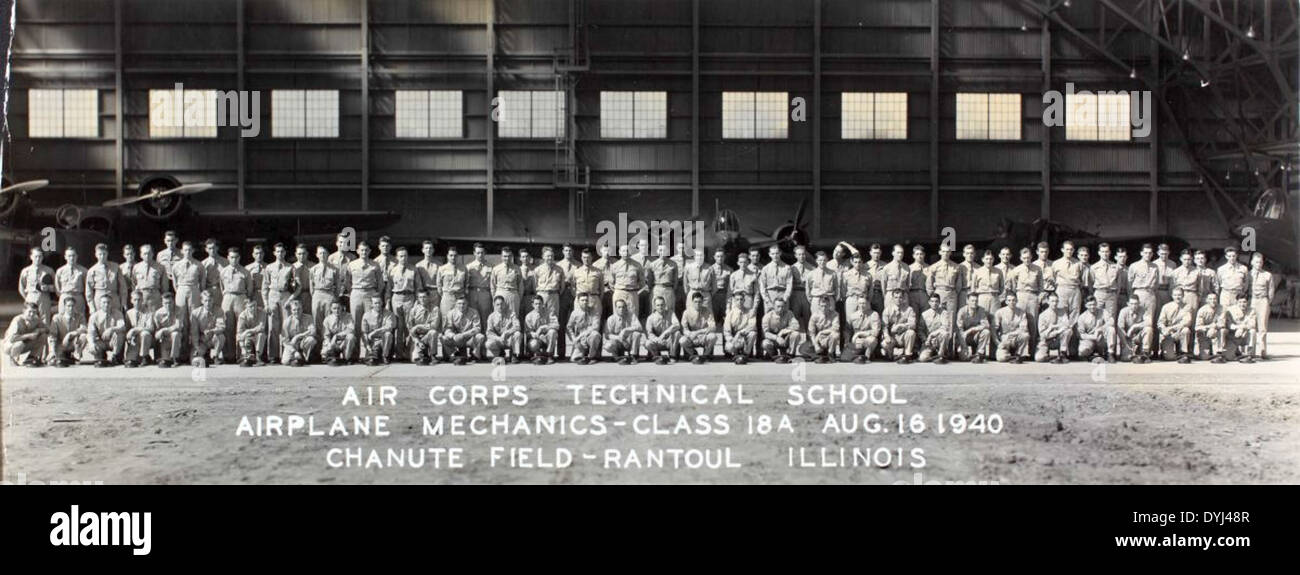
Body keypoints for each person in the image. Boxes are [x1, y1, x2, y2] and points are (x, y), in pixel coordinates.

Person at [388, 246, 423, 360]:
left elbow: (418, 287)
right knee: (398, 327)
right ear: (397, 257)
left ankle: (409, 353)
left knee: (409, 326)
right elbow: (389, 287)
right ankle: (398, 354)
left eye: (405, 256)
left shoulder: (413, 269)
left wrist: (418, 301)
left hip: (409, 297)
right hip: (397, 298)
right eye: (401, 256)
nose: (403, 258)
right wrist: (388, 301)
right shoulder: (392, 270)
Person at [219, 246, 252, 361]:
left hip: (241, 297)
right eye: (232, 257)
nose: (234, 260)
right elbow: (221, 287)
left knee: (241, 326)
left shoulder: (245, 272)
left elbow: (250, 289)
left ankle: (241, 355)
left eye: (236, 257)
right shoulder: (223, 271)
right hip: (228, 297)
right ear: (228, 258)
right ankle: (229, 355)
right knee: (228, 326)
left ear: (239, 258)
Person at [1127, 243, 1161, 353]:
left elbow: (1156, 284)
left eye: (1150, 253)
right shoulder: (1134, 266)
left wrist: (1151, 293)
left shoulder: (1155, 266)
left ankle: (1148, 350)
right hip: (1138, 293)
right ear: (1141, 253)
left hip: (1150, 294)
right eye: (1145, 252)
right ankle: (1133, 348)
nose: (1148, 255)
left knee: (1150, 321)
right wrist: (1132, 297)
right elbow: (1129, 283)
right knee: (1136, 319)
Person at [347, 242, 384, 340]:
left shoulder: (375, 265)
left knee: (370, 320)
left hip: (370, 293)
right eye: (362, 250)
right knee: (355, 320)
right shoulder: (352, 264)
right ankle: (356, 350)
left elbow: (380, 282)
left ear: (370, 251)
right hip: (356, 293)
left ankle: (370, 349)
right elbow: (347, 282)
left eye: (366, 250)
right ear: (358, 251)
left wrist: (376, 295)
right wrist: (352, 292)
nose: (364, 252)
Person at [1008, 246, 1044, 348]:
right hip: (1020, 297)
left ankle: (1032, 350)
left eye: (1028, 257)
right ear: (1020, 258)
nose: (1026, 260)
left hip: (1033, 296)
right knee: (1020, 323)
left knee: (1032, 323)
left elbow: (1041, 286)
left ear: (1032, 257)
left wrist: (1039, 298)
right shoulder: (1016, 270)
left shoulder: (1037, 269)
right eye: (1024, 258)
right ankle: (1020, 350)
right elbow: (1013, 286)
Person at [310, 245, 345, 341]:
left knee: (329, 320)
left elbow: (338, 285)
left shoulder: (334, 269)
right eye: (320, 253)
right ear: (317, 255)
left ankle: (328, 345)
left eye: (324, 253)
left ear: (328, 255)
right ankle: (318, 347)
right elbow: (311, 286)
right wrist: (315, 296)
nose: (322, 255)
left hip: (329, 294)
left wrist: (335, 297)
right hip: (317, 294)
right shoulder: (313, 269)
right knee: (317, 320)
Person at [86, 242, 129, 316]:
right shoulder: (92, 270)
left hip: (113, 297)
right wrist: (91, 306)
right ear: (96, 255)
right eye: (100, 254)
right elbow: (89, 291)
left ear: (107, 254)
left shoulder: (115, 267)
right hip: (99, 298)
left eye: (104, 254)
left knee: (116, 319)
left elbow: (122, 286)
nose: (102, 256)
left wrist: (123, 302)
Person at [442, 295, 485, 365]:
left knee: (480, 337)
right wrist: (453, 336)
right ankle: (456, 354)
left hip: (469, 338)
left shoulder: (474, 312)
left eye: (464, 303)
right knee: (443, 338)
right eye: (459, 303)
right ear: (456, 304)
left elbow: (477, 328)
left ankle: (474, 356)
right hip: (456, 338)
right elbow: (447, 328)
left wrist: (463, 335)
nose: (461, 306)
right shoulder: (451, 313)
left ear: (467, 304)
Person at [677, 292, 717, 365]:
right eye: (695, 302)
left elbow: (713, 327)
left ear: (702, 302)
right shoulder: (686, 312)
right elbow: (684, 329)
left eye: (699, 302)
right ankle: (693, 354)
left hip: (703, 336)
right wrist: (690, 334)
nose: (697, 304)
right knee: (682, 340)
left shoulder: (708, 311)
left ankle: (705, 355)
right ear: (692, 302)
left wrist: (698, 332)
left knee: (713, 336)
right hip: (692, 337)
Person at [1051, 240, 1087, 320]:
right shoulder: (1056, 263)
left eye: (1071, 249)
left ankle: (1073, 332)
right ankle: (1063, 332)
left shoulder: (1079, 264)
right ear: (1062, 250)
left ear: (1073, 250)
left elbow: (1082, 279)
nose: (1069, 251)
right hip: (1061, 290)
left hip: (1074, 290)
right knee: (1061, 313)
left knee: (1075, 313)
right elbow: (1053, 279)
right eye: (1067, 249)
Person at [1090, 243, 1125, 325]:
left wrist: (1115, 294)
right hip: (1099, 294)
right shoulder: (1094, 267)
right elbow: (1091, 283)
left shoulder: (1116, 267)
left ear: (1109, 252)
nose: (1105, 254)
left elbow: (1118, 283)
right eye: (1102, 251)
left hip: (1111, 294)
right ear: (1099, 252)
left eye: (1106, 251)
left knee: (1111, 319)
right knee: (1097, 318)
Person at [1156, 286, 1194, 363]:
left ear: (1183, 296)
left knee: (1186, 330)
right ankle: (1169, 352)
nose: (1177, 297)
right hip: (1169, 334)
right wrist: (1164, 329)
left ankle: (1184, 353)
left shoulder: (1187, 307)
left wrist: (1173, 328)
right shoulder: (1166, 307)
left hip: (1179, 331)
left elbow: (1187, 321)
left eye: (1179, 295)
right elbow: (1160, 322)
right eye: (1175, 295)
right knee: (1169, 357)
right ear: (1172, 296)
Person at [47, 296, 88, 367]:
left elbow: (84, 328)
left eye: (72, 306)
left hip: (73, 344)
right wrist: (52, 351)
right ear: (64, 307)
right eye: (68, 306)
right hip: (61, 344)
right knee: (59, 361)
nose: (71, 308)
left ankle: (76, 355)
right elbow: (52, 335)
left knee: (84, 336)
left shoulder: (80, 316)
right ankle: (59, 355)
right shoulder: (57, 318)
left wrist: (70, 334)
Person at [171, 241, 206, 322]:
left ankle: (194, 334)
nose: (188, 252)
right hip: (181, 289)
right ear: (182, 251)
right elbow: (175, 282)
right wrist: (180, 290)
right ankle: (183, 334)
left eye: (190, 250)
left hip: (194, 289)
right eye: (185, 250)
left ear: (193, 251)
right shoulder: (176, 265)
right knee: (181, 314)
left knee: (194, 313)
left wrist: (199, 292)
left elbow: (202, 281)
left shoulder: (199, 265)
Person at [1249, 252, 1276, 359]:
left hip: (1263, 301)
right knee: (1251, 326)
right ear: (1252, 262)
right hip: (1252, 301)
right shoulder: (1248, 274)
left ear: (1262, 263)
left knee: (1263, 327)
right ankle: (1250, 352)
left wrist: (1267, 302)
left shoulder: (1267, 275)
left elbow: (1271, 290)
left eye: (1260, 262)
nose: (1258, 264)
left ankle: (1262, 351)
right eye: (1256, 262)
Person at [88, 293, 126, 367]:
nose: (106, 305)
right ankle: (101, 356)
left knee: (120, 334)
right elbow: (90, 332)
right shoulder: (94, 316)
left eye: (108, 302)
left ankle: (116, 356)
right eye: (104, 302)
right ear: (100, 304)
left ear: (111, 304)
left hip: (113, 341)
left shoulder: (118, 313)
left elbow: (122, 326)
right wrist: (91, 344)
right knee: (91, 343)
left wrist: (111, 329)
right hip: (101, 341)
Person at [18, 246, 55, 322]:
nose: (38, 259)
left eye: (40, 256)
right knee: (30, 319)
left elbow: (56, 286)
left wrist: (48, 288)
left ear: (42, 257)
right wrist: (27, 298)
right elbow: (21, 287)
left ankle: (45, 333)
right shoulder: (26, 271)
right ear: (31, 257)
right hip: (31, 296)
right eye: (36, 256)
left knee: (45, 319)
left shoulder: (49, 270)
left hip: (44, 297)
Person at [5, 302, 48, 367]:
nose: (32, 314)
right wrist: (28, 335)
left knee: (43, 336)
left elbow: (47, 330)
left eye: (34, 312)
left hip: (25, 344)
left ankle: (31, 358)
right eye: (30, 311)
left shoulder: (36, 319)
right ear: (24, 311)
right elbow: (12, 339)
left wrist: (39, 330)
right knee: (19, 343)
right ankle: (13, 359)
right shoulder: (17, 320)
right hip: (10, 346)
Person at [880, 289, 918, 364]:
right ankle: (891, 355)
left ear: (903, 298)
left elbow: (913, 324)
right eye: (896, 297)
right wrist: (887, 336)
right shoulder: (887, 310)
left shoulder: (909, 309)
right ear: (892, 298)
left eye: (900, 297)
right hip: (892, 336)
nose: (898, 299)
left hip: (903, 336)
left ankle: (907, 354)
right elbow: (884, 326)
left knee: (911, 333)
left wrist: (901, 326)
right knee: (885, 343)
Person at [1075, 296, 1116, 363]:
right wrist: (1093, 337)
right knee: (1082, 351)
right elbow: (1081, 335)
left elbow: (1111, 321)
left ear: (1096, 304)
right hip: (1090, 339)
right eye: (1090, 305)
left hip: (1101, 339)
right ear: (1085, 306)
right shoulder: (1082, 317)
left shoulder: (1103, 311)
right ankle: (1092, 354)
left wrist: (1101, 329)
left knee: (1111, 329)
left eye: (1094, 304)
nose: (1092, 307)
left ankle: (1110, 353)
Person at [190, 290, 226, 365]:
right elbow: (194, 332)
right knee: (195, 361)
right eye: (205, 300)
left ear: (213, 300)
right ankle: (205, 355)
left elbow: (221, 327)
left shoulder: (219, 311)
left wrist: (212, 331)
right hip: (202, 340)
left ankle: (215, 356)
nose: (208, 303)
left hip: (213, 337)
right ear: (202, 301)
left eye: (210, 300)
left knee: (221, 337)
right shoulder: (195, 313)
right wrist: (197, 347)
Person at [407, 290, 442, 365]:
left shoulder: (435, 309)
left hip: (428, 336)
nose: (422, 299)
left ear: (428, 298)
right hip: (417, 337)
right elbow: (410, 328)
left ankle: (433, 356)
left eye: (424, 297)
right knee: (414, 359)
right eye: (420, 297)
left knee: (433, 332)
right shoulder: (414, 310)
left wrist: (418, 326)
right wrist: (417, 341)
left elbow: (434, 325)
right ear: (418, 299)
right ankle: (423, 354)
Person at [603, 298, 643, 365]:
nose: (621, 309)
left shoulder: (631, 316)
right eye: (619, 307)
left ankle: (633, 356)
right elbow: (607, 335)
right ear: (615, 308)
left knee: (636, 334)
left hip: (629, 342)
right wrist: (619, 338)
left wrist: (626, 330)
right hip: (618, 342)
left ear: (626, 307)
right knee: (608, 345)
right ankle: (617, 356)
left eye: (623, 307)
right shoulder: (611, 319)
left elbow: (639, 327)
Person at [955, 292, 992, 363]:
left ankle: (979, 353)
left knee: (986, 332)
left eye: (976, 301)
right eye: (972, 301)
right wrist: (964, 347)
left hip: (975, 336)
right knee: (964, 357)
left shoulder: (981, 310)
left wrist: (971, 329)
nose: (974, 303)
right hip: (964, 337)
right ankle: (963, 351)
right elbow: (959, 330)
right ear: (967, 301)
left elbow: (986, 325)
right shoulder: (962, 311)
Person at [1035, 292, 1072, 364]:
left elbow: (1067, 324)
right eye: (1052, 301)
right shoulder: (1042, 315)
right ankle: (1050, 356)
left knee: (1068, 331)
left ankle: (1062, 354)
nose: (1055, 303)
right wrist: (1057, 331)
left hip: (1059, 340)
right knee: (1039, 358)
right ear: (1048, 302)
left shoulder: (1062, 312)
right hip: (1046, 341)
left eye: (1056, 301)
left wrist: (1053, 327)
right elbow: (1043, 335)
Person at [566, 292, 602, 365]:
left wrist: (581, 336)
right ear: (578, 302)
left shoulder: (594, 311)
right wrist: (573, 339)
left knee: (595, 335)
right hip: (579, 342)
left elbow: (595, 327)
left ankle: (592, 357)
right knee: (574, 359)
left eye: (586, 300)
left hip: (589, 337)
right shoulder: (574, 313)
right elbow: (569, 327)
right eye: (582, 300)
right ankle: (582, 354)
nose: (584, 302)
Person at [993, 292, 1030, 364]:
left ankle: (1018, 354)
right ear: (1006, 301)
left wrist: (1012, 334)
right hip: (1005, 339)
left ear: (1017, 301)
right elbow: (994, 329)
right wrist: (998, 343)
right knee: (1001, 358)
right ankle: (1010, 356)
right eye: (1009, 300)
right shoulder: (1000, 312)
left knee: (1025, 335)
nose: (1011, 302)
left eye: (1013, 300)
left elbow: (1024, 328)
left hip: (1016, 338)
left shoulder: (1021, 312)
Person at [643, 296, 681, 364]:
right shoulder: (650, 318)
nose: (660, 307)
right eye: (658, 305)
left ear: (665, 305)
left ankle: (672, 356)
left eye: (662, 305)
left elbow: (677, 325)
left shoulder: (671, 313)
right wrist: (658, 339)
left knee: (677, 333)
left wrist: (665, 333)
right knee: (647, 343)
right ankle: (657, 356)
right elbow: (649, 334)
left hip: (669, 341)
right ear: (654, 306)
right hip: (657, 342)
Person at [1218, 294, 1255, 363]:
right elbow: (1229, 325)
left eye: (1244, 302)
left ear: (1248, 302)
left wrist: (1242, 328)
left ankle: (1249, 355)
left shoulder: (1251, 311)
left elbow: (1252, 324)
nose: (1242, 304)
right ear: (1236, 302)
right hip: (1233, 336)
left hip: (1244, 335)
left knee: (1252, 331)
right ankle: (1235, 352)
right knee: (1229, 357)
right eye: (1240, 302)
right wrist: (1238, 328)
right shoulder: (1230, 310)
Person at [485, 295, 523, 364]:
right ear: (494, 305)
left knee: (518, 334)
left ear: (505, 304)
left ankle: (514, 354)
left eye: (502, 304)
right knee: (488, 343)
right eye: (498, 304)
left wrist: (506, 333)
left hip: (509, 339)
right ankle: (499, 354)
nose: (500, 306)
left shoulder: (511, 314)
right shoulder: (491, 317)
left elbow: (518, 327)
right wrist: (498, 338)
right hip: (499, 340)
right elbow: (488, 333)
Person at [647, 243, 681, 319]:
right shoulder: (652, 264)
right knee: (655, 310)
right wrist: (652, 290)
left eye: (664, 250)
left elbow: (675, 280)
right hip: (657, 289)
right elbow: (650, 280)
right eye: (660, 250)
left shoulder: (673, 264)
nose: (662, 252)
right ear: (657, 251)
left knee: (669, 309)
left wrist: (672, 289)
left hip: (668, 290)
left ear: (668, 251)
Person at [489, 246, 522, 324]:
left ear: (512, 256)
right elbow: (492, 285)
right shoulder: (496, 269)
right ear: (501, 257)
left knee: (514, 317)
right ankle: (498, 335)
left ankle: (513, 335)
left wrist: (518, 297)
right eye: (505, 256)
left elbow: (520, 285)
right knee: (499, 317)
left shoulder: (517, 268)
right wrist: (495, 298)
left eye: (509, 256)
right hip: (500, 293)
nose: (507, 258)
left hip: (512, 294)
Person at [280, 298, 317, 367]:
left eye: (299, 309)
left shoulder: (309, 318)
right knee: (285, 361)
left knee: (311, 340)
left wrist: (299, 336)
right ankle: (296, 357)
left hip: (304, 342)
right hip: (292, 344)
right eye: (294, 310)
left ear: (302, 309)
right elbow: (285, 341)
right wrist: (294, 351)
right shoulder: (287, 322)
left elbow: (313, 331)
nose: (297, 311)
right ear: (291, 311)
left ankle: (304, 357)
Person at [524, 294, 560, 365]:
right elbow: (528, 332)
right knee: (533, 344)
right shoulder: (529, 316)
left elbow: (557, 325)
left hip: (547, 338)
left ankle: (549, 355)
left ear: (543, 304)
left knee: (553, 332)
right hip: (536, 339)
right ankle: (537, 355)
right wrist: (535, 335)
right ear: (532, 305)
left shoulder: (549, 313)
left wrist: (543, 327)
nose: (538, 306)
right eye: (536, 304)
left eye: (540, 303)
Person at [152, 292, 185, 368]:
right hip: (163, 338)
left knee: (175, 334)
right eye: (165, 303)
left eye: (170, 303)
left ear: (173, 302)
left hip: (176, 337)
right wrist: (161, 332)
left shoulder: (179, 310)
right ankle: (159, 356)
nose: (168, 305)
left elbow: (178, 326)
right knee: (165, 362)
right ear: (162, 303)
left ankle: (175, 358)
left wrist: (164, 330)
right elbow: (156, 331)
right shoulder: (158, 313)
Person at [846, 293, 881, 364]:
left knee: (871, 340)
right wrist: (847, 341)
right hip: (856, 340)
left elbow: (875, 332)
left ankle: (867, 357)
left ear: (868, 303)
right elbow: (847, 330)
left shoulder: (874, 314)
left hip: (868, 339)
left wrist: (859, 333)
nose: (862, 306)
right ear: (857, 304)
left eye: (864, 303)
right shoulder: (853, 316)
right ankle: (858, 355)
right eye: (860, 303)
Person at [361, 294, 395, 366]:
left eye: (379, 303)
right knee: (371, 361)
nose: (378, 305)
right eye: (375, 303)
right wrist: (368, 347)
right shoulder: (366, 315)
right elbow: (364, 333)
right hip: (372, 342)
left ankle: (385, 356)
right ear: (372, 304)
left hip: (384, 342)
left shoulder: (389, 314)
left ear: (382, 303)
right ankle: (373, 354)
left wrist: (375, 332)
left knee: (388, 334)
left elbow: (390, 326)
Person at [919, 293, 953, 365]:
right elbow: (920, 330)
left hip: (939, 340)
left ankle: (941, 354)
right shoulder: (924, 314)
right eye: (932, 301)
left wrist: (932, 335)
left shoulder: (944, 313)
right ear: (929, 302)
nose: (934, 303)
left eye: (936, 301)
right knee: (922, 359)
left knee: (945, 333)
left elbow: (945, 327)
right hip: (928, 342)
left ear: (939, 302)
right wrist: (925, 340)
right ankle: (933, 355)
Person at [123, 291, 155, 368]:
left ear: (142, 300)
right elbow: (126, 330)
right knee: (130, 363)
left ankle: (144, 356)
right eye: (135, 300)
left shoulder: (148, 312)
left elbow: (150, 328)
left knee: (145, 333)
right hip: (134, 340)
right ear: (131, 300)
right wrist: (129, 337)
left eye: (139, 300)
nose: (137, 302)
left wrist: (135, 330)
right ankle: (137, 356)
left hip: (146, 340)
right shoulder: (128, 313)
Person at [56, 246, 88, 320]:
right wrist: (63, 295)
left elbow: (87, 287)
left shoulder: (83, 271)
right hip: (65, 297)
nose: (71, 258)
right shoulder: (60, 271)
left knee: (80, 319)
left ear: (77, 256)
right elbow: (57, 288)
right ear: (65, 257)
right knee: (62, 319)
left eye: (73, 255)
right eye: (69, 256)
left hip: (78, 297)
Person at [1117, 293, 1151, 363]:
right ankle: (1131, 350)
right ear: (1128, 304)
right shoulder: (1123, 311)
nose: (1134, 306)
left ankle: (1145, 352)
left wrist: (1134, 326)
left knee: (1148, 329)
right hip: (1127, 338)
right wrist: (1126, 344)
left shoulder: (1143, 310)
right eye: (1132, 304)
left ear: (1139, 303)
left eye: (1136, 304)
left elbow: (1149, 322)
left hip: (1138, 336)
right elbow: (1120, 328)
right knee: (1126, 358)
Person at [465, 243, 494, 327]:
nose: (480, 255)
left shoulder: (491, 266)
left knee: (485, 316)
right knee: (472, 316)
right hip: (472, 293)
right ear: (474, 253)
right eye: (478, 253)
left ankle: (485, 336)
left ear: (485, 253)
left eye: (482, 252)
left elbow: (493, 283)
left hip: (485, 293)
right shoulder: (469, 267)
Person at [321, 301, 358, 366]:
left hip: (344, 342)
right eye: (334, 308)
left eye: (338, 308)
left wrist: (337, 336)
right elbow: (326, 335)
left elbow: (351, 329)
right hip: (333, 343)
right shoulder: (327, 319)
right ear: (331, 309)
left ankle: (347, 358)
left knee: (351, 337)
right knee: (324, 352)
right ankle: (333, 356)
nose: (337, 310)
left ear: (342, 308)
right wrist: (329, 345)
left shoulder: (348, 316)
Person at [133, 244, 168, 310]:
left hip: (154, 296)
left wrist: (163, 299)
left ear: (152, 254)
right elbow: (134, 283)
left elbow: (164, 286)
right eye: (145, 254)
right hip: (141, 296)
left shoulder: (160, 267)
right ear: (141, 255)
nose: (147, 256)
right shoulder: (136, 267)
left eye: (149, 253)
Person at [807, 295, 840, 364]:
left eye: (826, 306)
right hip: (818, 340)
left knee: (835, 335)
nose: (824, 308)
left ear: (829, 305)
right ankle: (819, 354)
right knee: (806, 350)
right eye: (822, 306)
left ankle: (830, 354)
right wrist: (816, 345)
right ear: (818, 306)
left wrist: (820, 333)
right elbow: (811, 333)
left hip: (829, 338)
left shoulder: (835, 314)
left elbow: (835, 328)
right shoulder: (814, 316)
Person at [880, 244, 911, 314]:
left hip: (903, 295)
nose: (900, 255)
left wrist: (905, 294)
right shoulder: (887, 268)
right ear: (893, 253)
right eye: (898, 252)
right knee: (889, 315)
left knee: (904, 315)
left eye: (902, 253)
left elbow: (908, 284)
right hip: (891, 294)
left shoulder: (906, 267)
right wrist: (886, 296)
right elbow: (883, 284)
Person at [236, 298, 268, 367]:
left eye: (255, 305)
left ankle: (258, 357)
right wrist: (242, 348)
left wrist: (248, 330)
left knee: (261, 335)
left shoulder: (262, 312)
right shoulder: (242, 316)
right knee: (245, 337)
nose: (253, 308)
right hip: (248, 337)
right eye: (250, 306)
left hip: (257, 334)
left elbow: (261, 327)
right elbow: (239, 333)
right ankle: (247, 355)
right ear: (246, 307)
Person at [437, 246, 467, 317]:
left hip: (459, 297)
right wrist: (446, 294)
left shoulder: (463, 268)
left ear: (458, 256)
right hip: (447, 297)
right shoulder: (442, 269)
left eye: (455, 255)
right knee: (446, 318)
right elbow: (439, 285)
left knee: (459, 318)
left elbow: (466, 283)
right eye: (451, 255)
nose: (453, 257)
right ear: (447, 256)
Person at [970, 249, 1003, 314]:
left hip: (994, 298)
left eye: (991, 259)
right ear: (983, 260)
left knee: (995, 319)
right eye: (987, 259)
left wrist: (996, 294)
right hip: (982, 297)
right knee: (983, 318)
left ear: (993, 259)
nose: (989, 261)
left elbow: (1002, 287)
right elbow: (973, 288)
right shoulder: (977, 272)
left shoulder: (998, 271)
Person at [1193, 292, 1223, 362]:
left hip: (1216, 334)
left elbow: (1222, 323)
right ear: (1207, 300)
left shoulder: (1221, 309)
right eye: (1210, 299)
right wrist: (1209, 327)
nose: (1213, 301)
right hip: (1204, 334)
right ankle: (1207, 351)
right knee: (1205, 357)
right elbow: (1197, 327)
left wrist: (1214, 327)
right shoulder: (1202, 310)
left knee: (1222, 330)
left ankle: (1218, 353)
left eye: (1215, 299)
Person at [709, 249, 733, 327]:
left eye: (722, 256)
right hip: (713, 296)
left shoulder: (729, 270)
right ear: (714, 257)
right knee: (713, 318)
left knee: (726, 318)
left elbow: (731, 286)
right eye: (718, 256)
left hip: (725, 296)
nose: (720, 258)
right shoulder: (710, 269)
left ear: (725, 257)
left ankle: (725, 337)